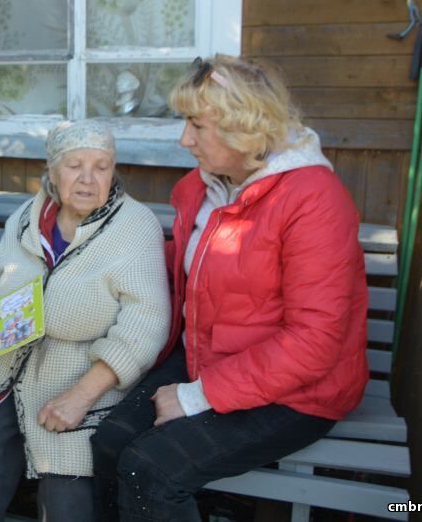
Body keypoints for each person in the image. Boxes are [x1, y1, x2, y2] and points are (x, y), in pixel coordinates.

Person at [91, 55, 370, 521]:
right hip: (209, 357)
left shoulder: (314, 200)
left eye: (197, 126)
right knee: (108, 443)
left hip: (298, 392)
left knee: (150, 469)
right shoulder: (204, 187)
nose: (185, 140)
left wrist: (195, 397)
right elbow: (189, 269)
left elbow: (314, 343)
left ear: (244, 128)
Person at [0, 119, 171, 522]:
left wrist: (81, 396)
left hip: (84, 376)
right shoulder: (27, 217)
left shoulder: (134, 227)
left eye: (101, 167)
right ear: (52, 171)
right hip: (4, 370)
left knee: (68, 491)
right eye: (74, 166)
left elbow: (146, 325)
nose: (88, 179)